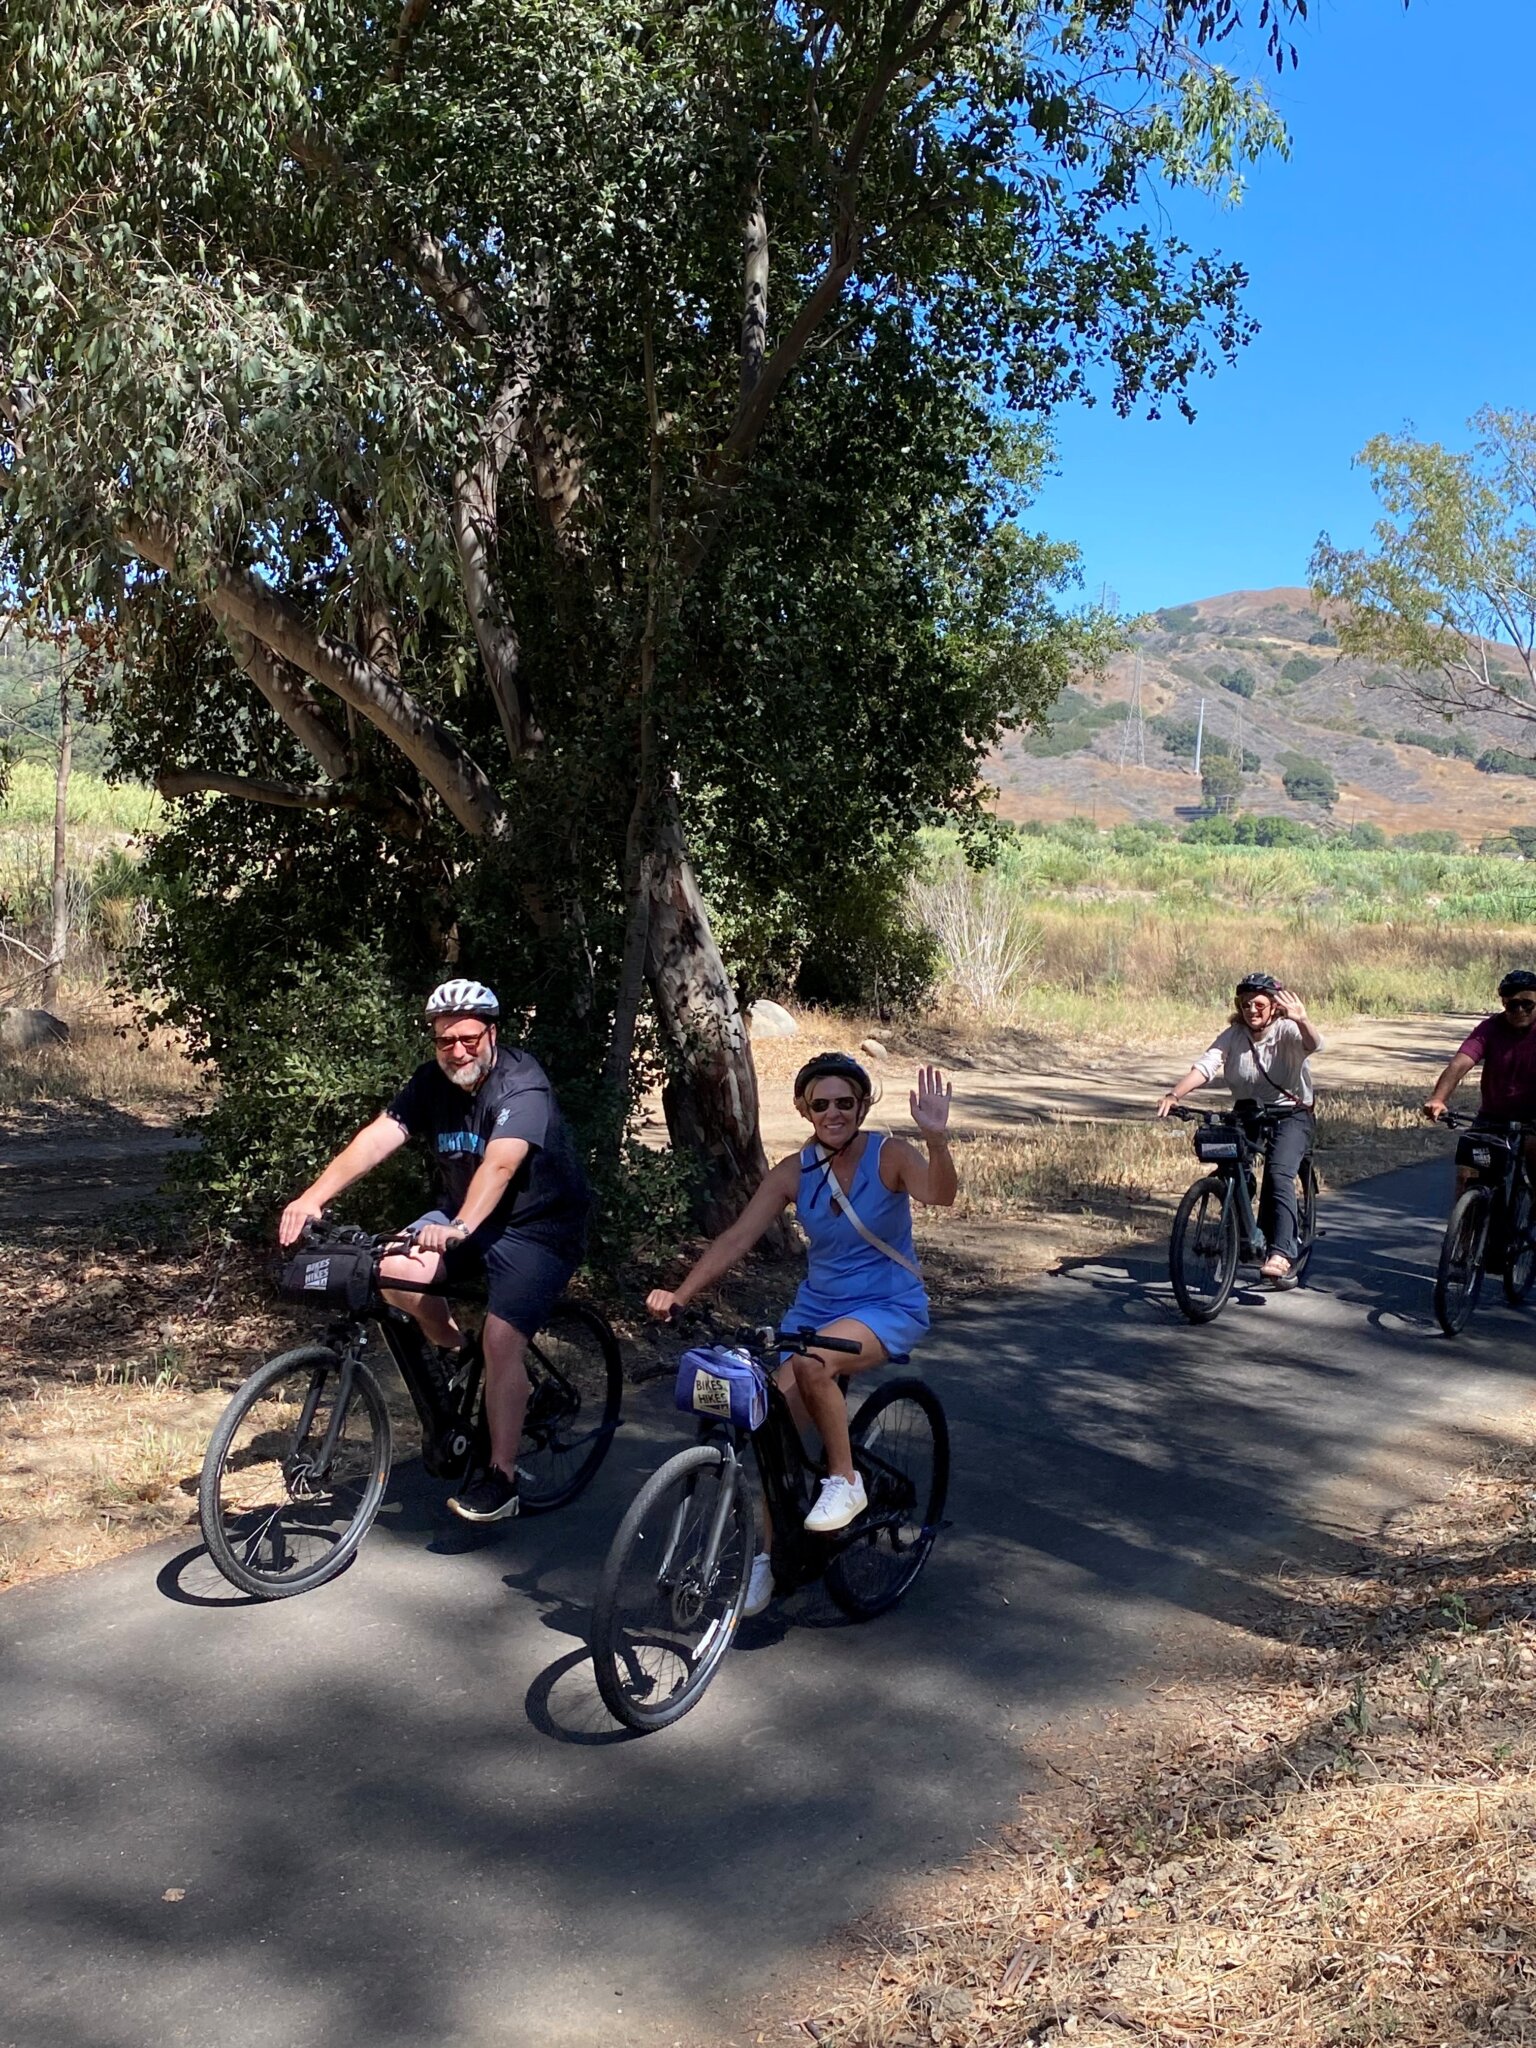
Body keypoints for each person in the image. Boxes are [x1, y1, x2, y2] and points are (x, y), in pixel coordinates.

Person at [646, 1052, 956, 1616]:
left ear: (862, 1105)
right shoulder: (795, 1171)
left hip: (887, 1304)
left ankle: (846, 1480)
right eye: (821, 1104)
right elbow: (738, 1237)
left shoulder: (889, 1155)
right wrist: (680, 1294)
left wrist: (935, 1139)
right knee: (770, 1430)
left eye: (845, 1102)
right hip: (817, 1308)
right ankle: (768, 1559)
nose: (833, 1112)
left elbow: (941, 1194)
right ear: (804, 1109)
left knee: (814, 1363)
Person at [278, 979, 592, 1525]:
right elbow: (379, 1137)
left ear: (492, 1033)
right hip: (460, 1217)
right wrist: (311, 1198)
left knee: (502, 1339)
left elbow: (500, 1164)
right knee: (394, 1269)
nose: (458, 1051)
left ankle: (502, 1476)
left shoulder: (522, 1084)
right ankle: (452, 1350)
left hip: (539, 1229)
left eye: (468, 1038)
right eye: (445, 1041)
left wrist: (463, 1225)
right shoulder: (432, 1083)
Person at [1156, 971, 1322, 1283]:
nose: (1252, 1011)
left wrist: (1302, 1020)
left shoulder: (1287, 1030)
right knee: (1231, 1167)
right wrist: (1175, 1094)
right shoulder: (1233, 1035)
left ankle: (1282, 1251)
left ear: (1273, 1006)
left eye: (1259, 1005)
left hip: (1291, 1113)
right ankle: (1240, 1240)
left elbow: (1313, 1044)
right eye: (1246, 1005)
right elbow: (1207, 1065)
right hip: (1249, 1111)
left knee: (1278, 1172)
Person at [1422, 969, 1536, 1186]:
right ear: (1503, 1003)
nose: (1519, 1010)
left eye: (1527, 1004)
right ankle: (1465, 1218)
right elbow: (1460, 1063)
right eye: (1513, 1005)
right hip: (1493, 1118)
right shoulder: (1491, 1028)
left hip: (1533, 1120)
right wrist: (1438, 1098)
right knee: (1468, 1170)